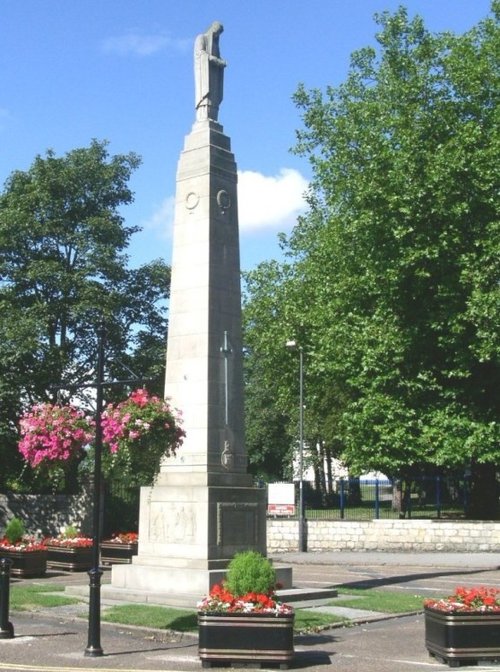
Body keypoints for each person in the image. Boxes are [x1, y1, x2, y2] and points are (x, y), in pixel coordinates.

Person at [194, 21, 226, 121]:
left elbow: (218, 57)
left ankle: (213, 116)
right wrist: (216, 60)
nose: (217, 35)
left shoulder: (216, 46)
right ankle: (204, 116)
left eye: (219, 34)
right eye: (216, 32)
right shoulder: (201, 38)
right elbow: (200, 53)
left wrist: (220, 62)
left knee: (214, 97)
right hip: (204, 74)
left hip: (214, 75)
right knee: (206, 96)